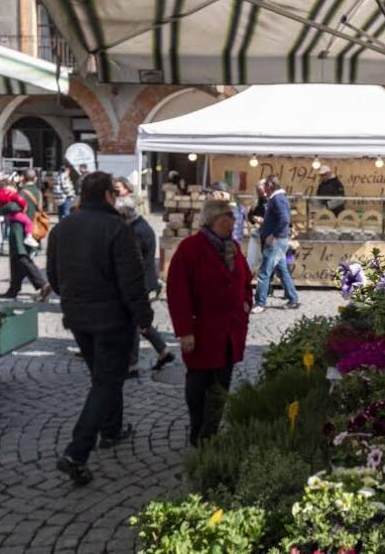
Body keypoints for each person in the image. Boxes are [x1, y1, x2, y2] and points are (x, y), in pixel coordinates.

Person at [47, 172, 154, 485]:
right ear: (108, 195)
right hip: (112, 319)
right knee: (106, 382)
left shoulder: (63, 227)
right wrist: (143, 318)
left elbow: (53, 276)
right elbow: (131, 280)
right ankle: (76, 452)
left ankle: (112, 429)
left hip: (79, 318)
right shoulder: (117, 229)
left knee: (104, 377)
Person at [167, 199, 252, 446]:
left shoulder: (233, 247)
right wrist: (184, 331)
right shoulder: (190, 249)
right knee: (198, 386)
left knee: (222, 385)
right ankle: (197, 430)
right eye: (229, 216)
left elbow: (245, 280)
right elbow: (178, 293)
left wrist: (246, 303)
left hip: (229, 332)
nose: (234, 221)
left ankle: (210, 432)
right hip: (202, 333)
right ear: (214, 219)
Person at [115, 195, 175, 374]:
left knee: (133, 323)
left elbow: (135, 261)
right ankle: (163, 351)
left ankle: (132, 363)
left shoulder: (135, 231)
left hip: (139, 283)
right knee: (139, 321)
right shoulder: (139, 226)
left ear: (125, 213)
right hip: (143, 281)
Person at [252, 176, 299, 313]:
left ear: (271, 185)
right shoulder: (277, 198)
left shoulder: (277, 199)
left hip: (276, 242)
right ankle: (293, 298)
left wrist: (274, 235)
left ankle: (260, 303)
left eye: (265, 185)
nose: (263, 189)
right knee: (282, 271)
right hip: (279, 241)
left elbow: (284, 220)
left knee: (264, 272)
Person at [0, 180, 49, 301]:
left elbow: (12, 207)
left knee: (21, 257)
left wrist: (1, 207)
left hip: (19, 230)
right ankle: (13, 289)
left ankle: (42, 283)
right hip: (30, 227)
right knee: (16, 259)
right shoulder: (36, 191)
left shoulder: (22, 193)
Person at [0, 183, 38, 249]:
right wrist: (24, 205)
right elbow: (20, 199)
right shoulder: (10, 194)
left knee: (7, 228)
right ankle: (29, 237)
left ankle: (5, 243)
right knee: (28, 222)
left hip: (8, 215)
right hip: (15, 213)